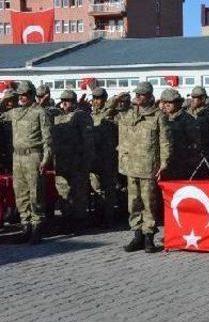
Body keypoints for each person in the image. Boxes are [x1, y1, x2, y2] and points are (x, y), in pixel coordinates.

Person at [114, 81, 172, 253]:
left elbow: (165, 142)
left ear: (150, 96)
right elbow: (107, 112)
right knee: (133, 203)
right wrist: (117, 98)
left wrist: (164, 164)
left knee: (149, 203)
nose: (137, 97)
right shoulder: (128, 114)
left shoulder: (158, 116)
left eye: (141, 94)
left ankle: (149, 237)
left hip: (148, 167)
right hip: (131, 166)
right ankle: (137, 235)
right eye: (136, 94)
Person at [0, 81, 53, 244]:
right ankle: (26, 226)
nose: (22, 98)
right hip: (17, 157)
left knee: (35, 192)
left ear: (31, 95)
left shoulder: (40, 112)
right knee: (20, 193)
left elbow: (47, 139)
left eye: (25, 95)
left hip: (33, 156)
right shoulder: (15, 112)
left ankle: (37, 226)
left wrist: (45, 159)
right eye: (20, 95)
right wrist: (3, 100)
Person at [52, 90, 94, 232]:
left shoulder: (82, 116)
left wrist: (85, 162)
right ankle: (66, 219)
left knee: (79, 193)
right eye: (62, 100)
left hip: (77, 161)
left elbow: (88, 141)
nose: (64, 103)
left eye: (68, 100)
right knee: (63, 192)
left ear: (74, 101)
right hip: (61, 162)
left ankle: (80, 221)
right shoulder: (57, 116)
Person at [89, 87, 119, 227]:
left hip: (108, 157)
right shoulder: (89, 116)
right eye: (94, 98)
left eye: (99, 98)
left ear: (105, 99)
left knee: (109, 188)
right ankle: (98, 214)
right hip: (94, 157)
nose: (96, 101)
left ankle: (109, 215)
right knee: (96, 187)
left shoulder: (113, 115)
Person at [160, 89, 201, 180]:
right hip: (164, 161)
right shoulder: (161, 118)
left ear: (178, 103)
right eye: (165, 102)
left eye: (170, 102)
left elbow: (195, 143)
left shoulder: (188, 119)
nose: (167, 104)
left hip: (181, 162)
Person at [187, 86, 209, 173]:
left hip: (205, 154)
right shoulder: (188, 113)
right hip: (189, 154)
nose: (192, 100)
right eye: (192, 97)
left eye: (195, 98)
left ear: (202, 99)